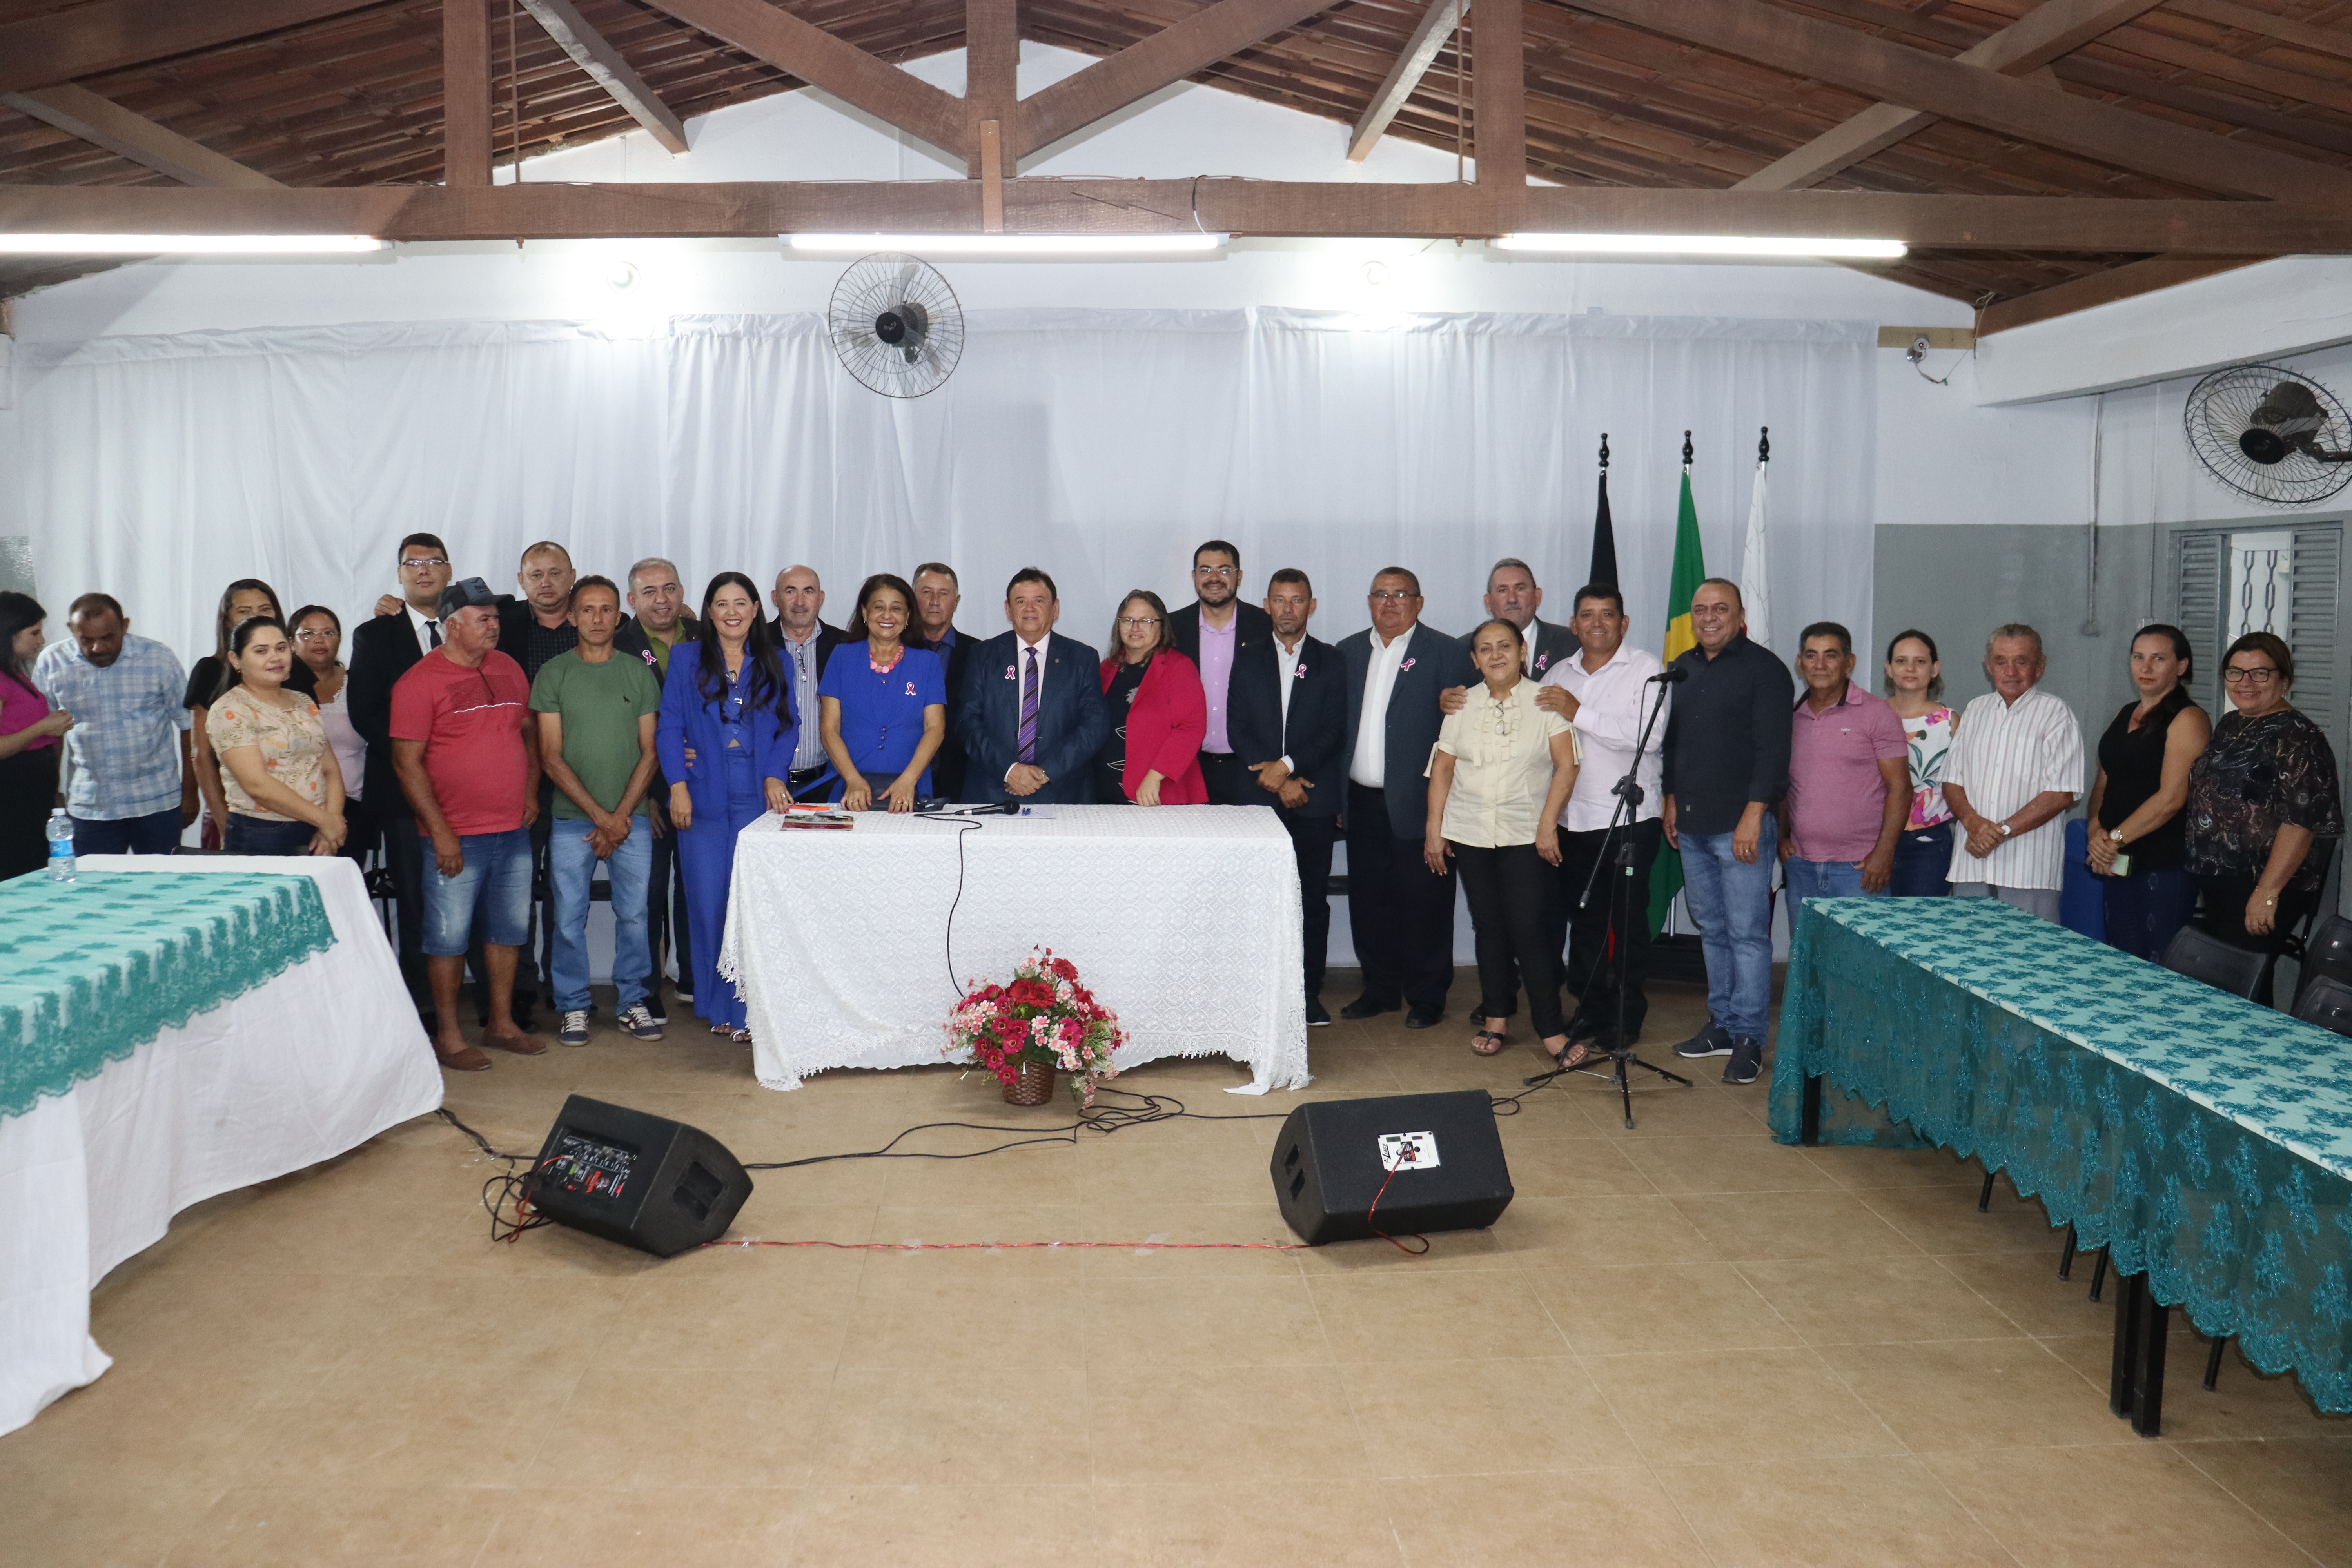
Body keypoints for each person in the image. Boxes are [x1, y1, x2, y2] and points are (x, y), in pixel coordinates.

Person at [389, 578, 544, 1072]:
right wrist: (440, 832)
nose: (494, 624)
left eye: (496, 616)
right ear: (452, 625)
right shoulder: (419, 682)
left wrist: (529, 792)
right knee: (448, 937)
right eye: (483, 617)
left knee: (508, 931)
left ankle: (500, 1023)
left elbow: (528, 732)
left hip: (512, 829)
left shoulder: (509, 669)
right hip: (454, 836)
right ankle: (450, 1035)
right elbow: (406, 764)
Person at [1426, 619, 1583, 1063]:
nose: (1496, 655)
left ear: (1522, 652)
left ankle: (1551, 1028)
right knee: (1489, 926)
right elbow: (1442, 769)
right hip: (1471, 832)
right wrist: (1434, 830)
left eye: (1505, 647)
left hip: (1526, 835)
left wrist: (1549, 824)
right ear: (1474, 659)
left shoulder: (1545, 701)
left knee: (1530, 928)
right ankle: (1496, 1017)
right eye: (1486, 649)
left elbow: (1567, 765)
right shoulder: (1460, 705)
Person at [1662, 578, 1793, 1086]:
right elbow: (1673, 745)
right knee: (1712, 929)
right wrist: (1672, 799)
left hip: (1741, 826)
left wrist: (1753, 815)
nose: (1709, 617)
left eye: (1720, 608)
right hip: (1691, 823)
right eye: (1700, 610)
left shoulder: (1765, 670)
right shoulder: (1684, 668)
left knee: (1746, 935)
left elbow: (1773, 752)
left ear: (1741, 615)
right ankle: (1721, 1023)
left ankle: (1749, 1037)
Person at [659, 572, 797, 1040]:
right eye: (722, 603)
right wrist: (677, 785)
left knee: (754, 907)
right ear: (709, 612)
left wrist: (776, 773)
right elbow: (669, 727)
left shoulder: (776, 660)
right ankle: (720, 1005)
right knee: (709, 903)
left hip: (758, 798)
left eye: (741, 602)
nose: (732, 612)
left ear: (757, 609)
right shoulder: (685, 658)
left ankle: (752, 1009)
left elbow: (788, 727)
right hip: (703, 801)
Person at [1336, 567, 1475, 1029]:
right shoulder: (1349, 651)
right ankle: (1379, 990)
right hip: (1361, 801)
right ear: (1369, 601)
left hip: (1421, 802)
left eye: (1401, 595)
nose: (1390, 603)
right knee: (1370, 901)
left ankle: (1427, 996)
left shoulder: (1448, 652)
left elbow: (1469, 727)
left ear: (1419, 602)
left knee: (1426, 903)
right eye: (1381, 594)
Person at [531, 575, 666, 1046]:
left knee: (635, 914)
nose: (596, 618)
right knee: (568, 916)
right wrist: (601, 817)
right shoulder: (553, 674)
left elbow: (651, 752)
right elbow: (550, 756)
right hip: (572, 820)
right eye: (587, 610)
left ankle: (632, 1003)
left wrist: (620, 816)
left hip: (632, 818)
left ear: (618, 615)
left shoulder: (638, 671)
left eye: (606, 609)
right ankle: (573, 1006)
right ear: (572, 616)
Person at [1538, 584, 1665, 1051]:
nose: (1596, 623)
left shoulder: (1647, 669)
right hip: (1574, 820)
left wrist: (1579, 713)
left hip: (1630, 822)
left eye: (1607, 615)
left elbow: (1646, 738)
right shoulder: (1558, 672)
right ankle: (1590, 1011)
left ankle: (1626, 1018)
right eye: (1587, 615)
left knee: (1628, 923)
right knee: (1585, 921)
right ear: (1573, 625)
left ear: (1623, 623)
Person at [2185, 631, 2343, 1000]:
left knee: (2241, 979)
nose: (2245, 683)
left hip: (2265, 882)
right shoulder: (2230, 725)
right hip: (2221, 880)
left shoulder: (2300, 737)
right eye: (2235, 673)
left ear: (2284, 680)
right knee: (2237, 984)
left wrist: (2267, 893)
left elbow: (2302, 823)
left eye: (2260, 674)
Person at [1230, 569, 1347, 1025]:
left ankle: (1307, 991)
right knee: (1257, 898)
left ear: (1311, 606)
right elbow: (1237, 724)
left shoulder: (1331, 661)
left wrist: (1290, 767)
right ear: (1266, 605)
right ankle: (1256, 990)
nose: (1287, 609)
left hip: (1312, 799)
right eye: (1279, 600)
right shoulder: (1247, 658)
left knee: (1311, 899)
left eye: (1297, 600)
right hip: (1258, 799)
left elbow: (1334, 728)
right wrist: (1276, 776)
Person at [350, 533, 457, 1007]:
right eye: (412, 563)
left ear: (449, 570)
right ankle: (420, 1004)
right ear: (399, 574)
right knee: (415, 899)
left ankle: (464, 997)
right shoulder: (374, 633)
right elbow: (366, 714)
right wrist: (420, 754)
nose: (423, 570)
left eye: (434, 561)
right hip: (400, 790)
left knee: (464, 897)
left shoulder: (474, 625)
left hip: (465, 790)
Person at [33, 593, 196, 856]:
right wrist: (52, 791)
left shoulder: (159, 659)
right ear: (71, 630)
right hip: (91, 807)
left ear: (125, 626)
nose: (98, 648)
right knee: (96, 891)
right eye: (87, 639)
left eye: (108, 637)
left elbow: (189, 725)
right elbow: (50, 734)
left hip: (157, 802)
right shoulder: (52, 662)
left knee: (163, 888)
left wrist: (190, 793)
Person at [1942, 624, 2083, 924]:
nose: (2011, 671)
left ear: (2040, 667)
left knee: (2030, 962)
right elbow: (1953, 781)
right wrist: (1973, 824)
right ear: (1988, 666)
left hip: (2029, 870)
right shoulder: (1975, 710)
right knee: (1969, 959)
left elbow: (2062, 793)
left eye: (2022, 661)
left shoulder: (2056, 714)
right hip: (1972, 865)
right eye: (2001, 661)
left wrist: (1999, 833)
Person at [2087, 624, 2211, 961]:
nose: (2146, 667)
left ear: (2181, 667)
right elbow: (2104, 783)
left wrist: (2113, 839)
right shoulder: (2124, 713)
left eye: (2159, 659)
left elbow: (2172, 798)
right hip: (2117, 859)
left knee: (2159, 963)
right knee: (2121, 958)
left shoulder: (2189, 719)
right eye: (2139, 658)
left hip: (2164, 863)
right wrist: (2095, 831)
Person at [1777, 622, 1911, 929]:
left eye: (1831, 656)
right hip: (1801, 867)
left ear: (1850, 663)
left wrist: (1884, 854)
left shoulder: (1877, 714)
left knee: (1862, 969)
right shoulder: (1788, 717)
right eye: (1811, 656)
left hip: (1860, 869)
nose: (1820, 665)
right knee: (1810, 964)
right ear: (1800, 663)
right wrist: (1781, 837)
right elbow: (1784, 785)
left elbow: (1901, 789)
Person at [617, 556, 697, 1021]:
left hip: (699, 785)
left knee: (698, 888)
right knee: (645, 893)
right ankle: (644, 988)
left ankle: (694, 976)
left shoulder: (706, 637)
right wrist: (644, 792)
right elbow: (619, 725)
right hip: (646, 789)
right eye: (649, 592)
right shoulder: (620, 645)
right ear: (632, 600)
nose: (661, 599)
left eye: (669, 588)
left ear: (682, 591)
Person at [954, 568, 1109, 806]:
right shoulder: (982, 655)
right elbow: (967, 722)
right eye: (1021, 601)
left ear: (1055, 609)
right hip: (993, 792)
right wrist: (1010, 770)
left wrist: (1045, 772)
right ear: (1008, 609)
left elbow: (1094, 727)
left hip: (1062, 794)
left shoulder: (1083, 658)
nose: (1029, 609)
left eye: (1039, 601)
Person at [187, 579, 316, 850]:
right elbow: (202, 758)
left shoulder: (297, 672)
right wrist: (225, 825)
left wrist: (326, 820)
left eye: (265, 609)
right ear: (227, 621)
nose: (256, 617)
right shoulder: (210, 671)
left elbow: (318, 750)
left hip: (308, 815)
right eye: (244, 611)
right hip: (242, 816)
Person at [207, 616, 349, 857]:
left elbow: (330, 770)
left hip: (317, 829)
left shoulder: (302, 701)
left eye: (281, 648)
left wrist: (331, 822)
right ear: (236, 659)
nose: (275, 658)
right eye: (261, 651)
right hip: (262, 833)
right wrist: (325, 821)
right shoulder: (230, 709)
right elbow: (256, 784)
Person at [818, 573, 947, 811]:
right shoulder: (841, 657)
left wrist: (908, 781)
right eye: (879, 607)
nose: (887, 616)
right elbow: (829, 728)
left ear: (908, 617)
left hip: (910, 790)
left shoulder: (928, 663)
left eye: (896, 609)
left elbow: (935, 728)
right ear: (865, 614)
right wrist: (853, 780)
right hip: (848, 789)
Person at [1165, 540, 1271, 805]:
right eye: (1205, 570)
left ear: (1239, 576)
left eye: (1224, 570)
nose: (1214, 578)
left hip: (1254, 769)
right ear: (1194, 576)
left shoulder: (1265, 627)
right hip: (1188, 769)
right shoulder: (1170, 629)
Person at [1095, 590, 1209, 806]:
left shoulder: (1179, 668)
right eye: (1128, 620)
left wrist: (1155, 776)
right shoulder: (1105, 670)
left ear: (1162, 626)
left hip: (1158, 795)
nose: (1135, 627)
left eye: (1146, 621)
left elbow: (1191, 728)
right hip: (1106, 797)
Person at [290, 604, 370, 873]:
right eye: (308, 633)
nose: (319, 640)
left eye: (329, 632)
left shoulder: (360, 684)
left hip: (352, 808)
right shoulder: (277, 689)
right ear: (290, 642)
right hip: (294, 809)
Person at [0, 592, 72, 880]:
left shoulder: (16, 673)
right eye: (34, 633)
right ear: (8, 634)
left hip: (33, 793)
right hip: (12, 794)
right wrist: (43, 728)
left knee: (38, 867)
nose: (42, 640)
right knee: (19, 871)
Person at [1883, 630, 1958, 897]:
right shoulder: (1871, 716)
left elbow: (1962, 784)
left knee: (1921, 929)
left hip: (1928, 844)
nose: (1911, 668)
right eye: (1902, 661)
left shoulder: (1950, 722)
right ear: (1889, 669)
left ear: (1935, 669)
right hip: (1873, 838)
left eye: (1921, 661)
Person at [772, 565, 856, 801]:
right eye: (790, 592)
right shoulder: (756, 645)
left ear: (821, 598)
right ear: (775, 598)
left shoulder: (844, 646)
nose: (800, 601)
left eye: (808, 592)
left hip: (828, 782)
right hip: (769, 784)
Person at [1458, 558, 1579, 681]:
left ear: (1538, 597)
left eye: (1520, 589)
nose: (1512, 599)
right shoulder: (1463, 649)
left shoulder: (1572, 643)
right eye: (1503, 590)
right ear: (1488, 602)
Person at [913, 562, 973, 799]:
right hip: (899, 779)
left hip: (961, 782)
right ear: (913, 597)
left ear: (956, 602)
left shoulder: (979, 654)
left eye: (944, 593)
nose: (935, 601)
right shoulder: (894, 651)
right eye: (926, 592)